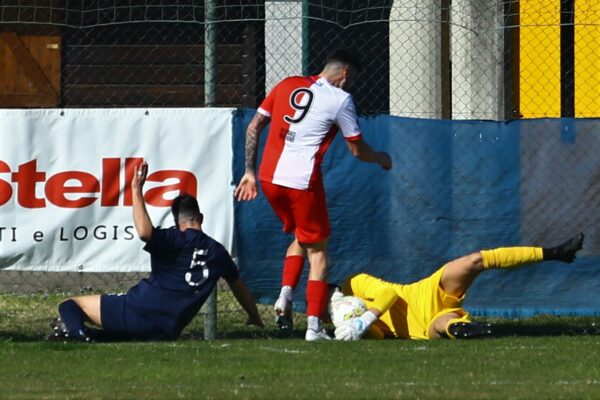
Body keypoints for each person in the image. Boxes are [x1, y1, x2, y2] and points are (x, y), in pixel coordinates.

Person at [234, 49, 393, 341]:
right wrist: (380, 158)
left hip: (269, 178)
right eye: (353, 78)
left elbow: (254, 126)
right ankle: (313, 328)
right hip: (301, 181)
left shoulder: (286, 84)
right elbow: (356, 149)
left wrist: (249, 171)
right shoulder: (341, 99)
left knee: (301, 237)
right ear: (345, 74)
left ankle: (285, 295)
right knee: (319, 253)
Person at [48, 161, 264, 342]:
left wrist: (135, 190)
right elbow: (239, 286)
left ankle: (76, 334)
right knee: (121, 336)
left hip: (137, 309)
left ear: (177, 222)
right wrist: (254, 316)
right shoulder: (218, 253)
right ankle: (82, 335)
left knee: (70, 304)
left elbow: (144, 232)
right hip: (167, 329)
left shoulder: (174, 237)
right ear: (201, 219)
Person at [330, 233, 584, 340]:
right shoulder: (342, 324)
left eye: (327, 297)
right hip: (420, 327)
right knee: (445, 325)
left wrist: (363, 318)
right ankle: (470, 329)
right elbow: (379, 335)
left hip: (424, 292)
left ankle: (556, 252)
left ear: (334, 292)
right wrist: (359, 328)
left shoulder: (352, 282)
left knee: (474, 260)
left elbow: (388, 293)